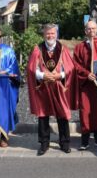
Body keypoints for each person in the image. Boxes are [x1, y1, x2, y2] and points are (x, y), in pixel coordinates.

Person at [26, 24, 77, 156]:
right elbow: (32, 69)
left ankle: (65, 143)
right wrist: (43, 75)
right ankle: (44, 143)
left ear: (56, 34)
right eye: (48, 34)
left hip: (59, 87)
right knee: (43, 115)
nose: (50, 36)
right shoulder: (38, 49)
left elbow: (70, 68)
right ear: (44, 35)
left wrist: (61, 75)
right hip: (44, 87)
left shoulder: (63, 49)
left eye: (52, 33)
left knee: (63, 115)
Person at [73, 21, 97, 150]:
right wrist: (86, 74)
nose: (91, 31)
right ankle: (85, 141)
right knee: (86, 111)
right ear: (85, 31)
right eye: (89, 29)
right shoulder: (80, 47)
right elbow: (75, 65)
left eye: (93, 28)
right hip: (86, 84)